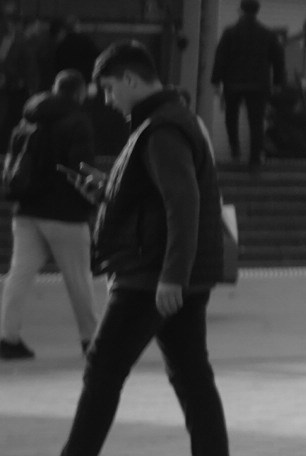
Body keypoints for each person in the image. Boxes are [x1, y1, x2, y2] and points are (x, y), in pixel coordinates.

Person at [58, 41, 229, 456]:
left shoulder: (162, 129)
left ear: (132, 80)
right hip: (163, 270)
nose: (109, 99)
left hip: (148, 274)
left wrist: (173, 276)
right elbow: (155, 198)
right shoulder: (162, 123)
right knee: (191, 376)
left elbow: (182, 202)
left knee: (103, 371)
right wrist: (107, 191)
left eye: (112, 88)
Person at [2, 68, 105, 363]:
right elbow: (81, 168)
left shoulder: (26, 121)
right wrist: (99, 193)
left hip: (26, 211)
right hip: (65, 214)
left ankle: (7, 338)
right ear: (79, 92)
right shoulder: (78, 121)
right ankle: (91, 341)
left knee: (18, 275)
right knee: (78, 280)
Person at [205, 0, 282, 173]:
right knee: (256, 120)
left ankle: (235, 150)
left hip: (233, 82)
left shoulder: (230, 32)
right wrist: (277, 82)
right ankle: (255, 157)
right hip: (258, 84)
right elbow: (278, 59)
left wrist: (216, 81)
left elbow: (221, 57)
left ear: (240, 10)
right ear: (257, 11)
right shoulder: (267, 34)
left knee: (231, 117)